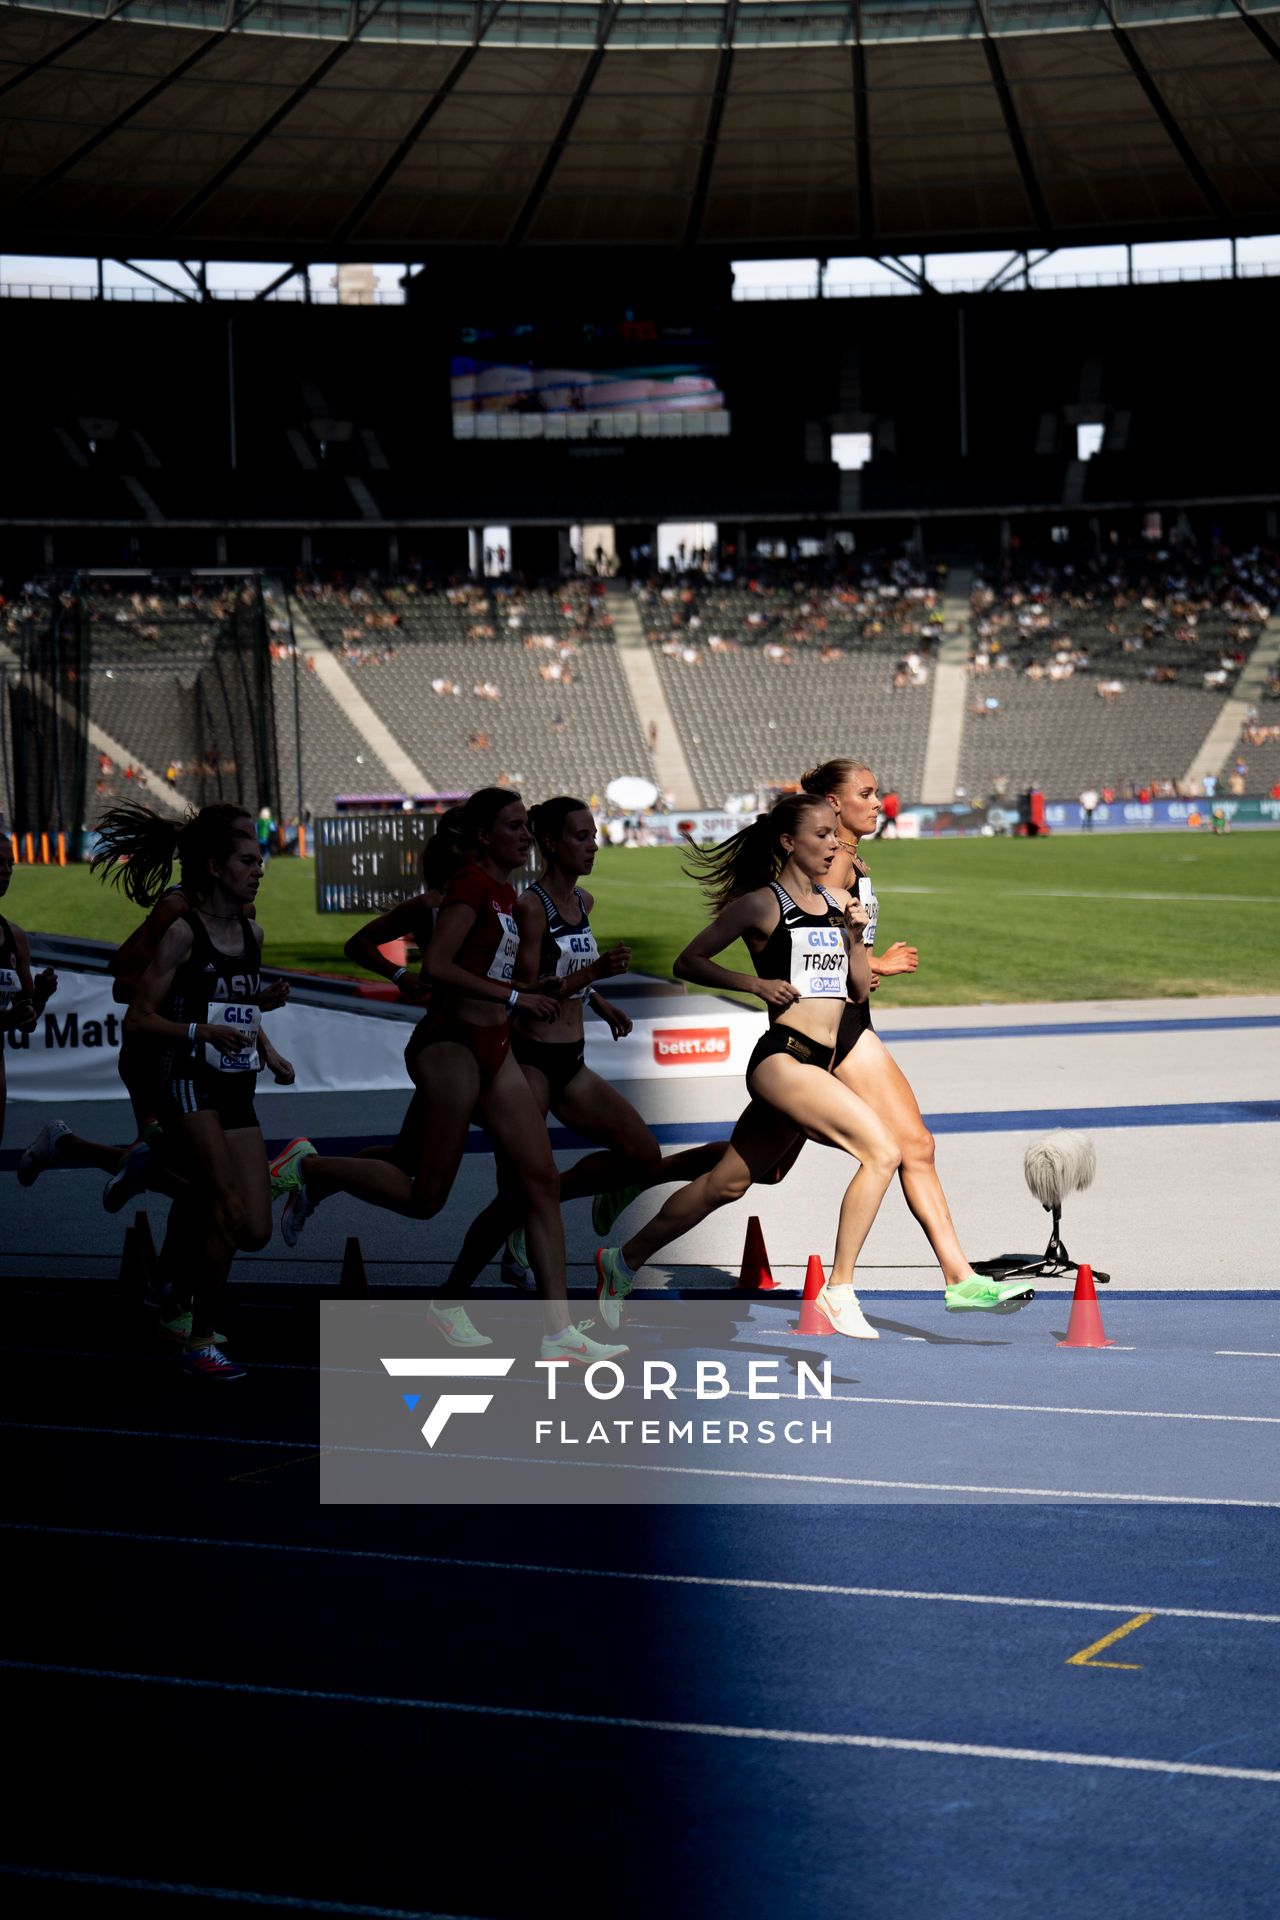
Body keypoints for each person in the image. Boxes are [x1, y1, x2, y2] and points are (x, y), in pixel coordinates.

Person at [282, 788, 627, 1366]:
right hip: (450, 1048)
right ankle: (309, 1168)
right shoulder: (468, 886)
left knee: (540, 1182)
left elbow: (491, 971)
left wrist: (542, 989)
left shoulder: (504, 894)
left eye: (526, 826)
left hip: (494, 1049)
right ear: (485, 837)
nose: (525, 835)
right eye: (514, 826)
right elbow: (439, 966)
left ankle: (559, 1332)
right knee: (424, 1197)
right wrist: (489, 992)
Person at [596, 794, 899, 1340]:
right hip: (783, 1058)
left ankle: (621, 1261)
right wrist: (755, 984)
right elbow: (688, 961)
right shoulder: (761, 904)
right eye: (822, 835)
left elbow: (857, 990)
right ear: (788, 842)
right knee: (882, 1151)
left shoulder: (838, 901)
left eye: (835, 835)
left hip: (820, 1061)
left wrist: (855, 938)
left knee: (728, 1184)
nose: (835, 845)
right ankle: (839, 1288)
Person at [439, 796, 722, 1296]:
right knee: (516, 1195)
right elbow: (530, 991)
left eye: (593, 836)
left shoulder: (584, 902)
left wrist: (599, 1000)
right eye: (581, 837)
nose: (592, 846)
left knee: (641, 1154)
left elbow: (566, 971)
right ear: (550, 843)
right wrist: (593, 974)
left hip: (571, 1060)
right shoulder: (531, 908)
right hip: (529, 1062)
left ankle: (540, 1215)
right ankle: (453, 1292)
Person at [804, 757, 1032, 1312]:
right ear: (834, 804)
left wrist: (867, 966)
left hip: (852, 1023)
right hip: (832, 1030)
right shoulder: (835, 865)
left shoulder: (852, 859)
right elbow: (812, 948)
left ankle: (961, 1278)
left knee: (913, 1147)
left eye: (876, 792)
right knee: (745, 1174)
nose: (877, 802)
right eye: (865, 793)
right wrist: (875, 964)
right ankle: (636, 1209)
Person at [121, 803, 278, 1380]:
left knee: (254, 1229)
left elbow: (236, 1005)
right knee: (225, 1208)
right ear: (214, 866)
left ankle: (151, 1172)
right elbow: (138, 1017)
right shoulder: (183, 932)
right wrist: (197, 1032)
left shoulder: (253, 933)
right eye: (247, 861)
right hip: (187, 1082)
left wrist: (268, 1047)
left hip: (238, 1086)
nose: (258, 871)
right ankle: (200, 1340)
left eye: (259, 862)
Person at [0, 832, 58, 1147]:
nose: (6, 870)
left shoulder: (15, 937)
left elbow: (27, 1021)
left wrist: (41, 995)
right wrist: (7, 1020)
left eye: (10, 863)